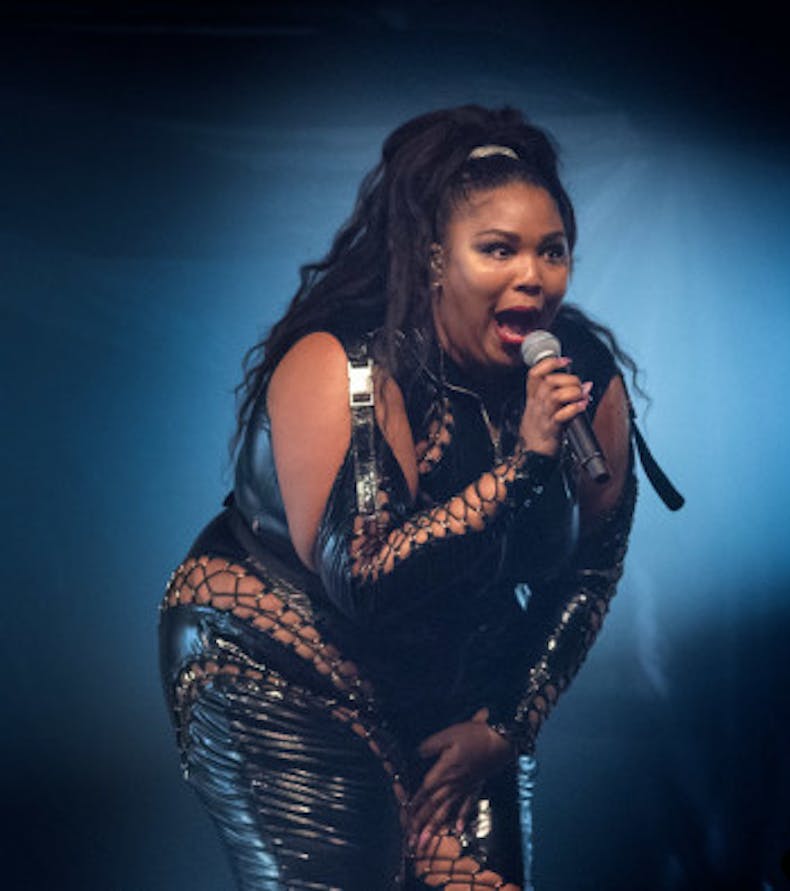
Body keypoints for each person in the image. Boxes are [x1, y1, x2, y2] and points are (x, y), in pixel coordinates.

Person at [159, 104, 664, 890]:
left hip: (456, 675)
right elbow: (363, 578)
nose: (533, 276)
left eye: (553, 252)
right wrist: (523, 465)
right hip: (288, 658)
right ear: (436, 259)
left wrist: (508, 722)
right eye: (498, 249)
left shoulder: (583, 377)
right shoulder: (354, 368)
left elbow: (589, 571)